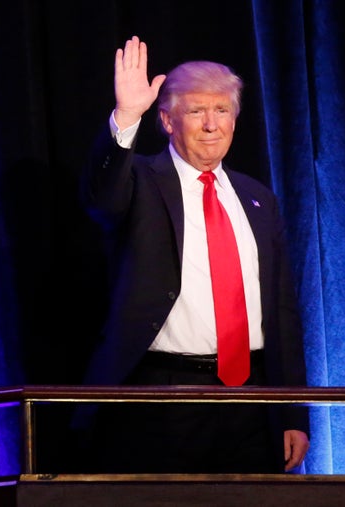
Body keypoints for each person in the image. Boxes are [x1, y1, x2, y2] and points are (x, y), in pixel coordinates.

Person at [75, 35, 309, 474]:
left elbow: (282, 312)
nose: (210, 124)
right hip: (164, 398)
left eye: (222, 110)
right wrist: (126, 117)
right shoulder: (141, 180)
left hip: (252, 401)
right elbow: (101, 199)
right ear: (166, 120)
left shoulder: (259, 198)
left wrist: (293, 412)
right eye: (196, 111)